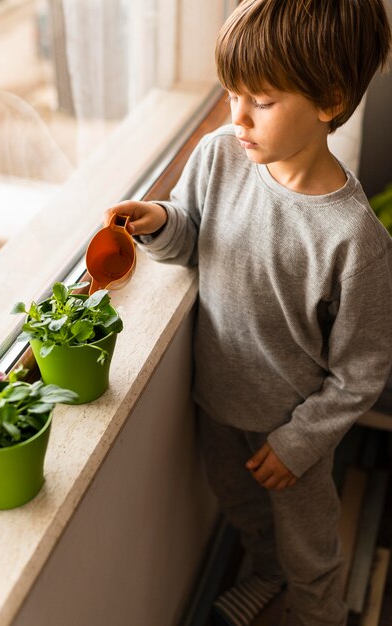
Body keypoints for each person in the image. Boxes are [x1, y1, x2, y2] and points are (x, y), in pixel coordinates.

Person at [105, 1, 392, 624]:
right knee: (242, 510)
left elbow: (362, 371)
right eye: (230, 93)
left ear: (329, 99)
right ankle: (265, 576)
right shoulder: (217, 157)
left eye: (259, 100)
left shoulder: (354, 240)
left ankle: (318, 613)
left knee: (309, 546)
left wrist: (297, 444)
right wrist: (159, 221)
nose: (236, 117)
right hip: (217, 403)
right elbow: (191, 240)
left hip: (293, 432)